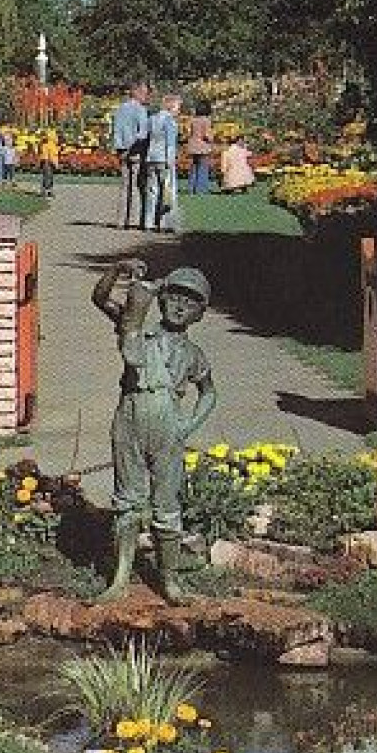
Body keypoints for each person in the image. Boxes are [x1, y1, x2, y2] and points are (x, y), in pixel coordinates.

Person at [92, 259, 217, 605]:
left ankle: (170, 582)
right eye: (175, 297)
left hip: (168, 424)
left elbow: (209, 392)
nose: (180, 306)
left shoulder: (193, 354)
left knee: (167, 506)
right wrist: (117, 270)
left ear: (199, 314)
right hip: (131, 415)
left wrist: (189, 425)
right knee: (127, 503)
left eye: (190, 302)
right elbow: (101, 297)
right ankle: (119, 579)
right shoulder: (136, 331)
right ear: (161, 299)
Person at [112, 82, 149, 228]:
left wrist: (120, 149)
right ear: (137, 92)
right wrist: (133, 146)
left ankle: (121, 221)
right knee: (138, 187)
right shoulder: (140, 110)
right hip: (136, 152)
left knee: (125, 186)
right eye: (145, 93)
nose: (146, 96)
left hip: (122, 151)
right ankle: (135, 220)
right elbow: (143, 133)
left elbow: (116, 131)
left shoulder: (121, 108)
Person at [143, 94, 181, 232]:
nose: (179, 110)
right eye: (178, 107)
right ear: (171, 106)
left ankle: (148, 222)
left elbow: (144, 136)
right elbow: (170, 144)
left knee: (152, 191)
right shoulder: (170, 121)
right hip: (164, 159)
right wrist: (171, 162)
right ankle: (164, 223)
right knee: (167, 192)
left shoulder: (152, 119)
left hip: (150, 158)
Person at [186, 98, 215, 194]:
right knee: (203, 168)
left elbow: (189, 132)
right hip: (203, 147)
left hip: (192, 146)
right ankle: (201, 189)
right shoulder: (206, 120)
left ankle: (191, 188)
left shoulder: (193, 120)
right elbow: (207, 135)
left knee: (194, 168)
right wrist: (212, 139)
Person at [38, 127, 60, 197]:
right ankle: (45, 191)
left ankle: (48, 191)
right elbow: (47, 153)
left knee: (49, 177)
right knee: (47, 176)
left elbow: (54, 153)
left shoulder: (52, 144)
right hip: (47, 161)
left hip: (50, 161)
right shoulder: (46, 143)